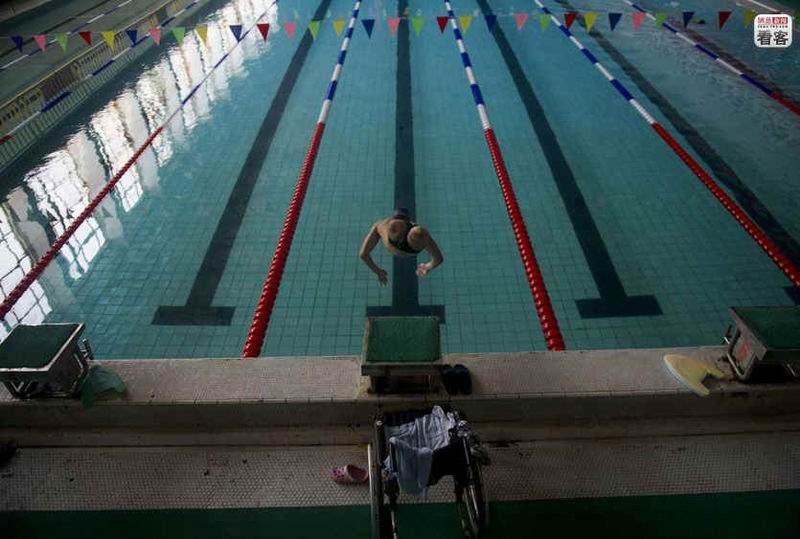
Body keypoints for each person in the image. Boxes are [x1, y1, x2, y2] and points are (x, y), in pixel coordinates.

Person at [359, 209, 443, 284]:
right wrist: (427, 267)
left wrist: (377, 271)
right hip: (396, 239)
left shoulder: (383, 226)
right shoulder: (419, 239)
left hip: (394, 233)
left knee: (403, 218)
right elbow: (438, 259)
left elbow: (363, 254)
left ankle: (399, 216)